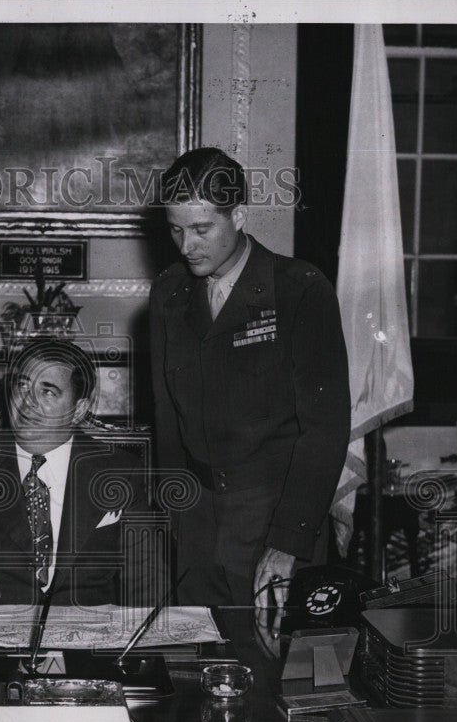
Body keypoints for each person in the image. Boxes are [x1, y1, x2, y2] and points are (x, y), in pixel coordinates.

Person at [149, 147, 350, 614]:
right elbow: (165, 412)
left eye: (202, 229)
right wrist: (175, 511)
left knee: (270, 667)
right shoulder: (169, 292)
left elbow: (325, 428)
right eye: (176, 230)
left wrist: (288, 542)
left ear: (238, 215)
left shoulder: (299, 289)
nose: (186, 246)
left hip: (272, 517)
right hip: (196, 519)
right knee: (198, 662)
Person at [0, 339, 167, 608]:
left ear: (79, 410)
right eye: (23, 386)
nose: (28, 403)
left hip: (90, 639)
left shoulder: (119, 472)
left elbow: (147, 585)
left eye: (48, 392)